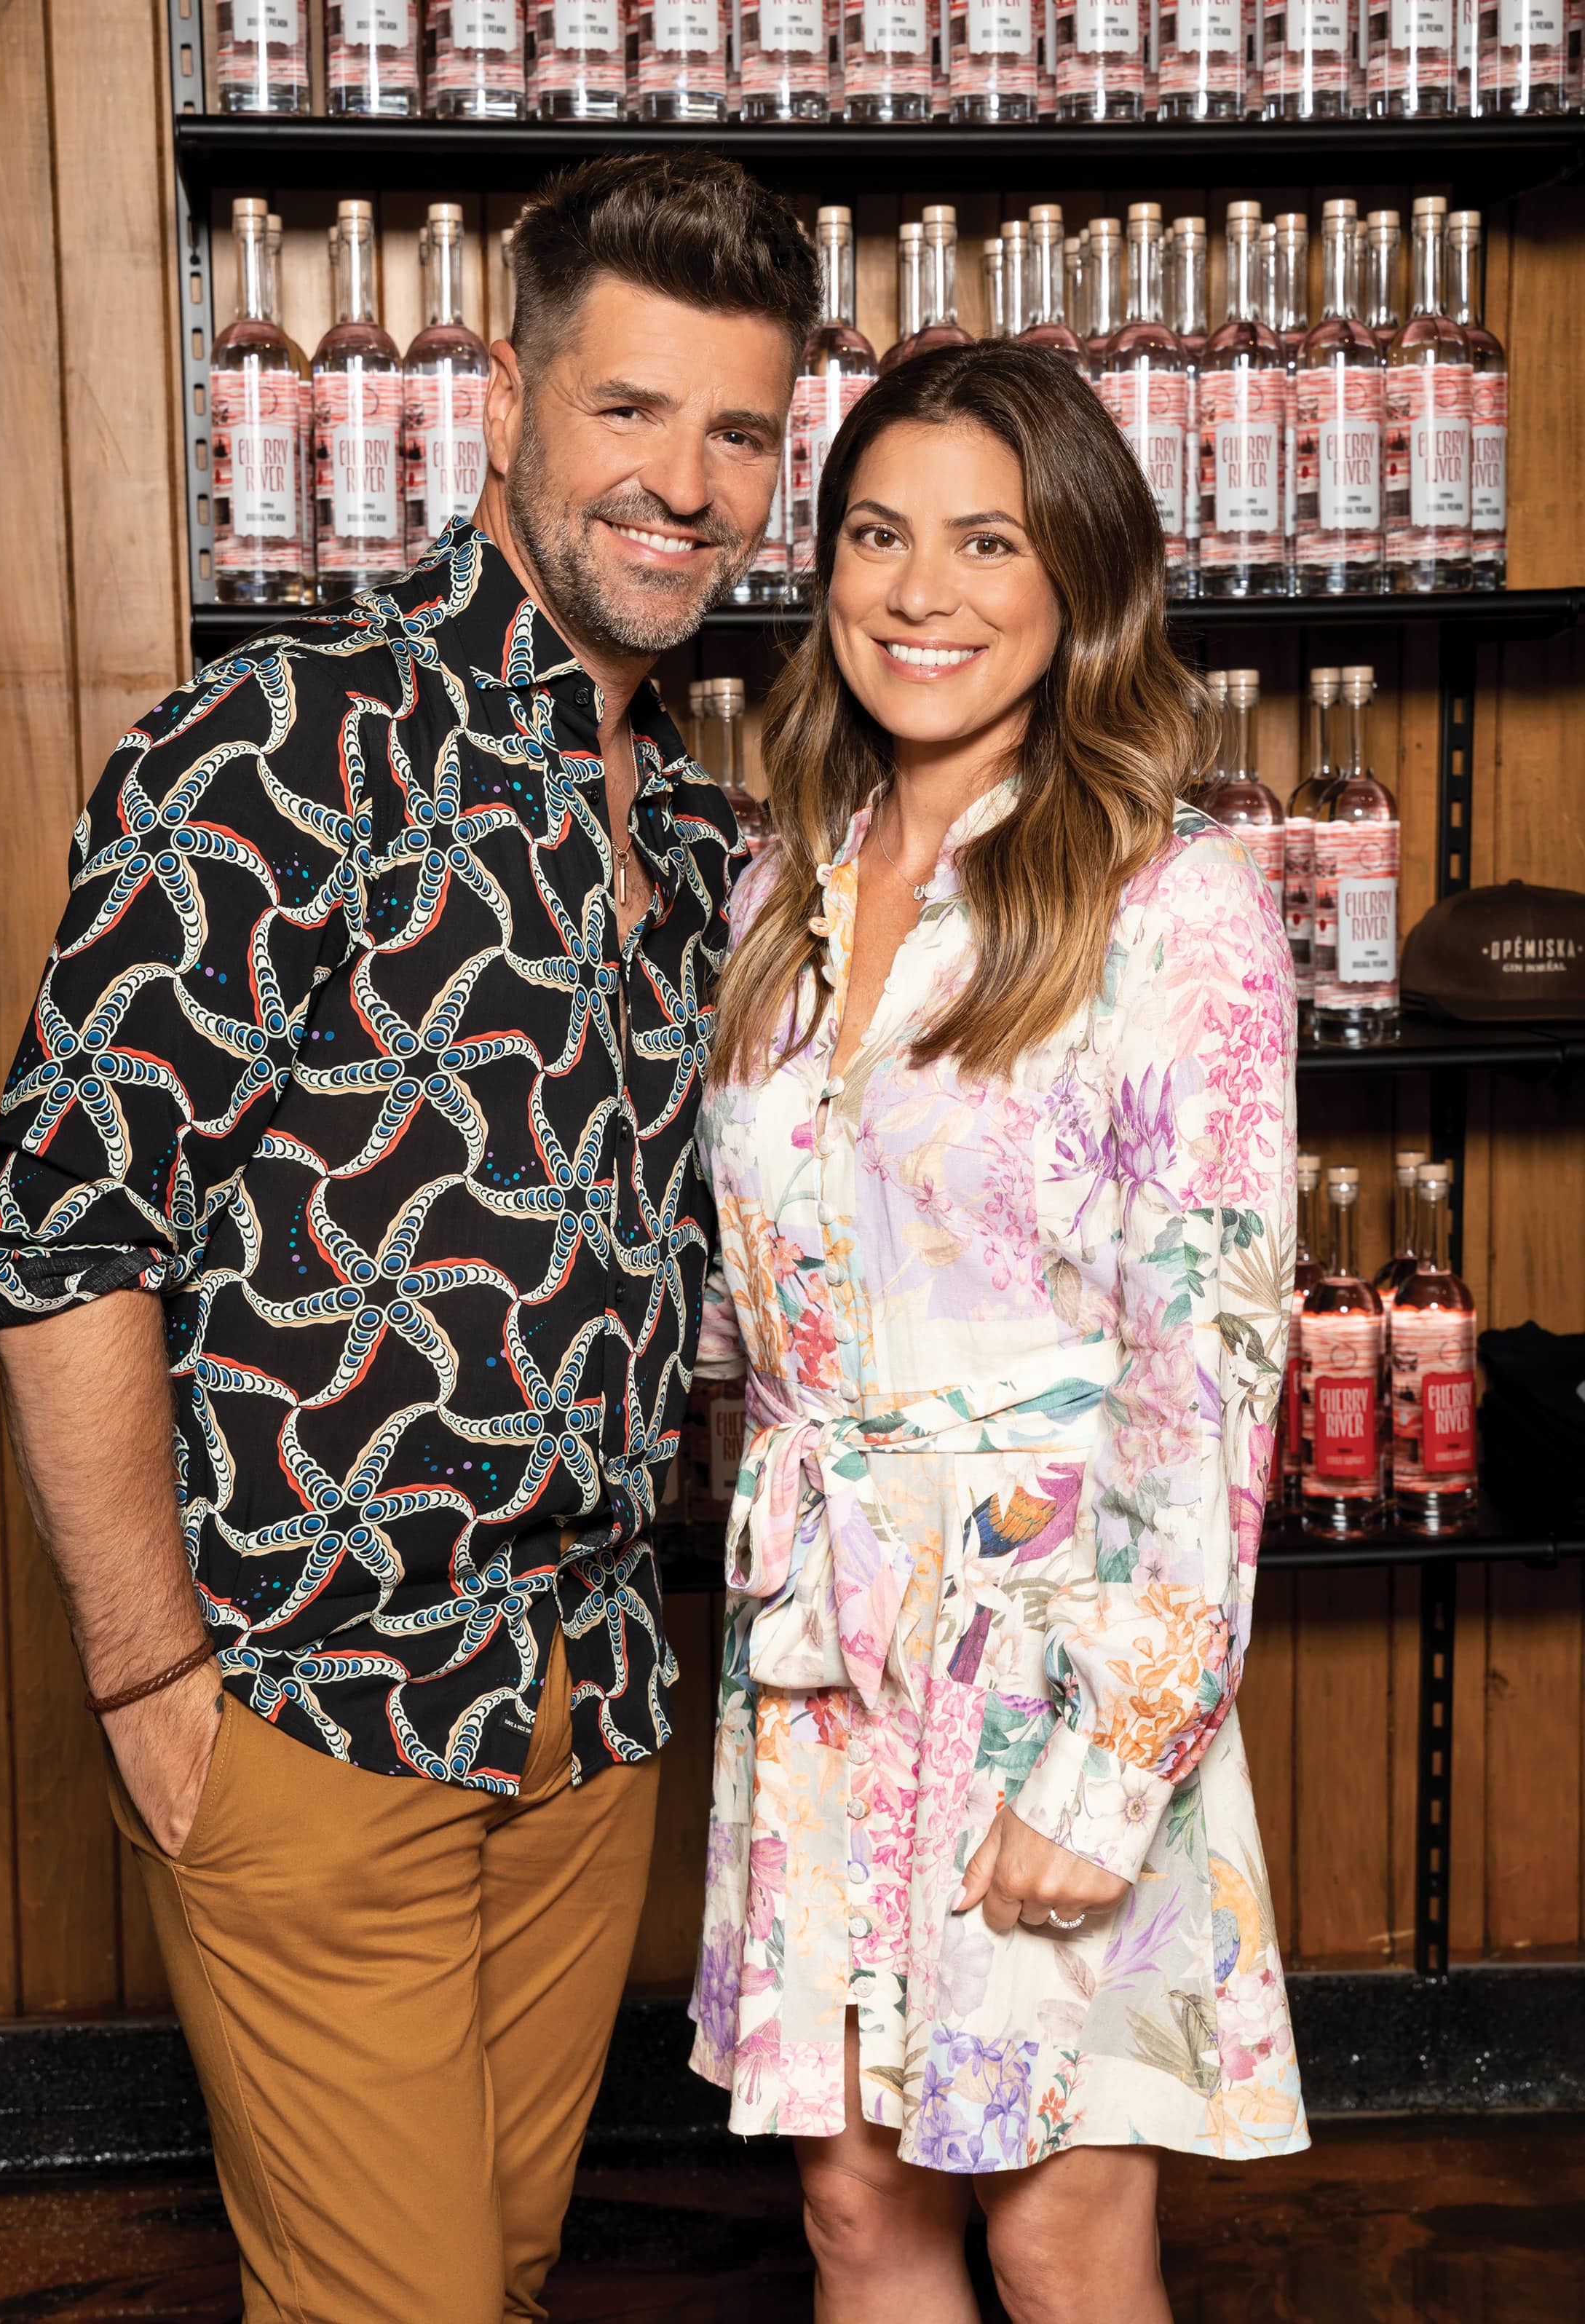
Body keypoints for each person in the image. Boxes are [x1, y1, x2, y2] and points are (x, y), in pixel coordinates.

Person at [0, 152, 815, 2324]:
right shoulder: (275, 750)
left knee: (486, 2288)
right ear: (504, 403)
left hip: (586, 1707)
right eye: (629, 410)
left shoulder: (693, 822)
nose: (685, 483)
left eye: (738, 432)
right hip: (316, 1703)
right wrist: (151, 1680)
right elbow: (60, 1234)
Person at [690, 341, 1308, 2324]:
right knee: (855, 2214)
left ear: (1078, 582)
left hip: (1053, 1648)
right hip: (819, 1644)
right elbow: (768, 1292)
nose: (918, 591)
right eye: (877, 535)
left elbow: (1209, 1366)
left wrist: (1110, 1764)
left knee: (1056, 2224)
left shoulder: (1176, 900)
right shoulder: (773, 883)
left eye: (986, 541)